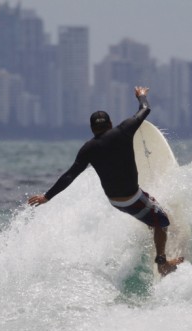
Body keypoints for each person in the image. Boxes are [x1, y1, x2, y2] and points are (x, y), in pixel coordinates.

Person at [28, 86, 183, 276]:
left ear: (92, 128)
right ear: (110, 123)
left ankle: (149, 223)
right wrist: (141, 96)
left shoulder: (88, 148)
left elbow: (69, 175)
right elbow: (145, 109)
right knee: (162, 221)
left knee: (148, 207)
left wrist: (47, 196)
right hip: (132, 198)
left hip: (115, 201)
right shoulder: (124, 130)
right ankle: (162, 263)